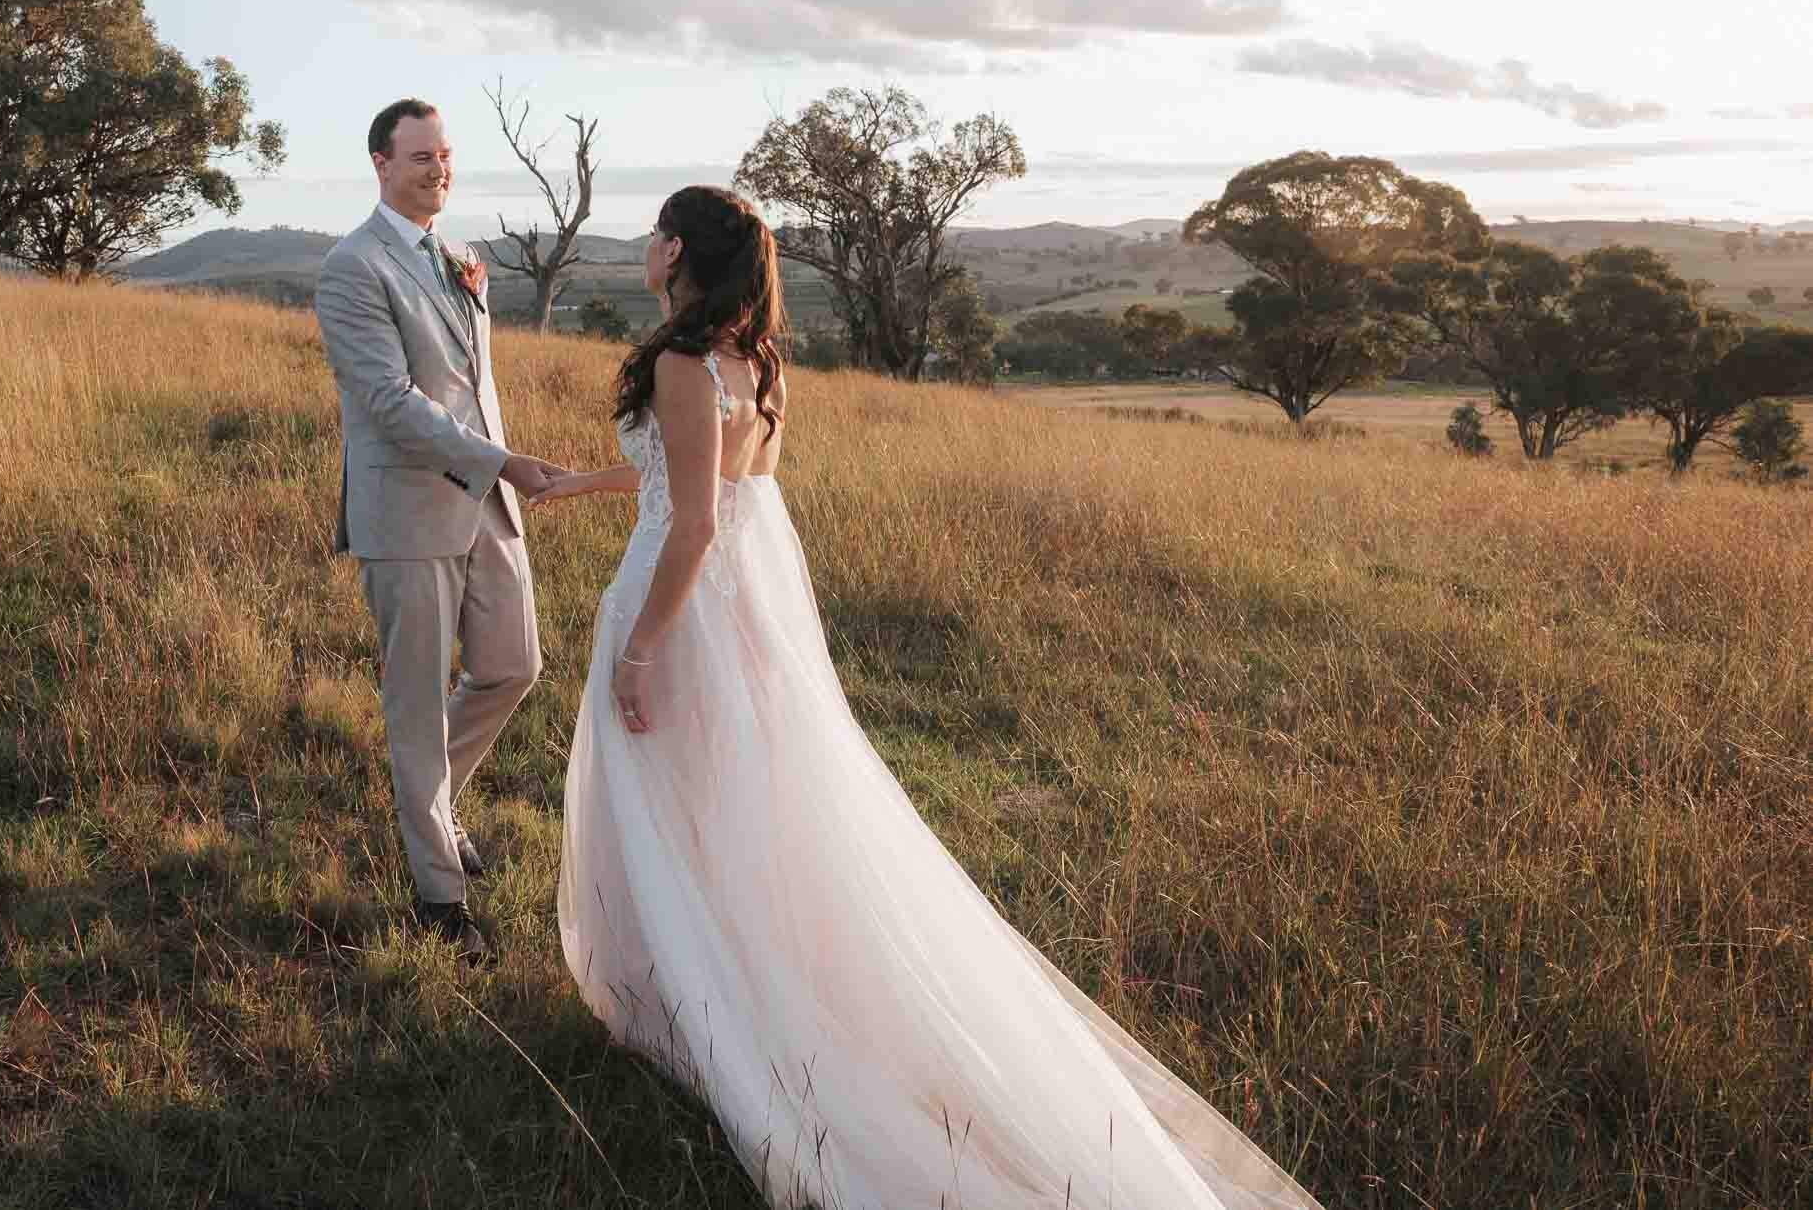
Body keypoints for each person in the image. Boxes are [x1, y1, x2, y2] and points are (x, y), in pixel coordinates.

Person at [535, 185, 1324, 1209]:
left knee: (667, 798)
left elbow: (691, 523)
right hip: (743, 616)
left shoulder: (682, 362)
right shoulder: (757, 361)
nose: (645, 246)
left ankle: (695, 1008)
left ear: (675, 248)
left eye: (653, 233)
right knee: (734, 805)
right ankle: (705, 988)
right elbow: (707, 479)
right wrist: (575, 480)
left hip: (680, 612)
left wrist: (640, 651)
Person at [313, 98, 564, 964]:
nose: (437, 169)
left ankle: (432, 805)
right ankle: (440, 898)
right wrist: (503, 463)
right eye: (420, 156)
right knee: (415, 709)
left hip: (486, 503)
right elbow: (388, 403)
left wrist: (496, 473)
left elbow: (466, 382)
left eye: (445, 155)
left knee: (513, 666)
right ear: (380, 163)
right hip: (408, 511)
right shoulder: (353, 266)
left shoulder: (460, 259)